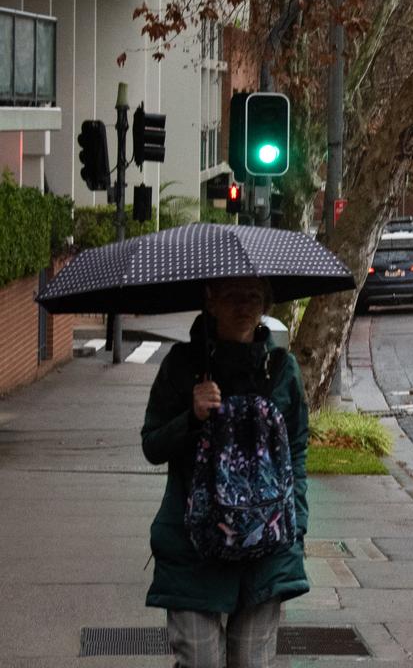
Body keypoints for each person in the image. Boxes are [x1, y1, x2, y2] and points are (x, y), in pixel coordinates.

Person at [141, 276, 310, 668]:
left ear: (265, 304)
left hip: (267, 547)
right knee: (201, 660)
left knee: (252, 662)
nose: (244, 306)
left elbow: (298, 449)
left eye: (253, 297)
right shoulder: (181, 367)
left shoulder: (282, 370)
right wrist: (192, 416)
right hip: (192, 545)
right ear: (210, 301)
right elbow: (152, 445)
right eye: (233, 296)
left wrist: (297, 522)